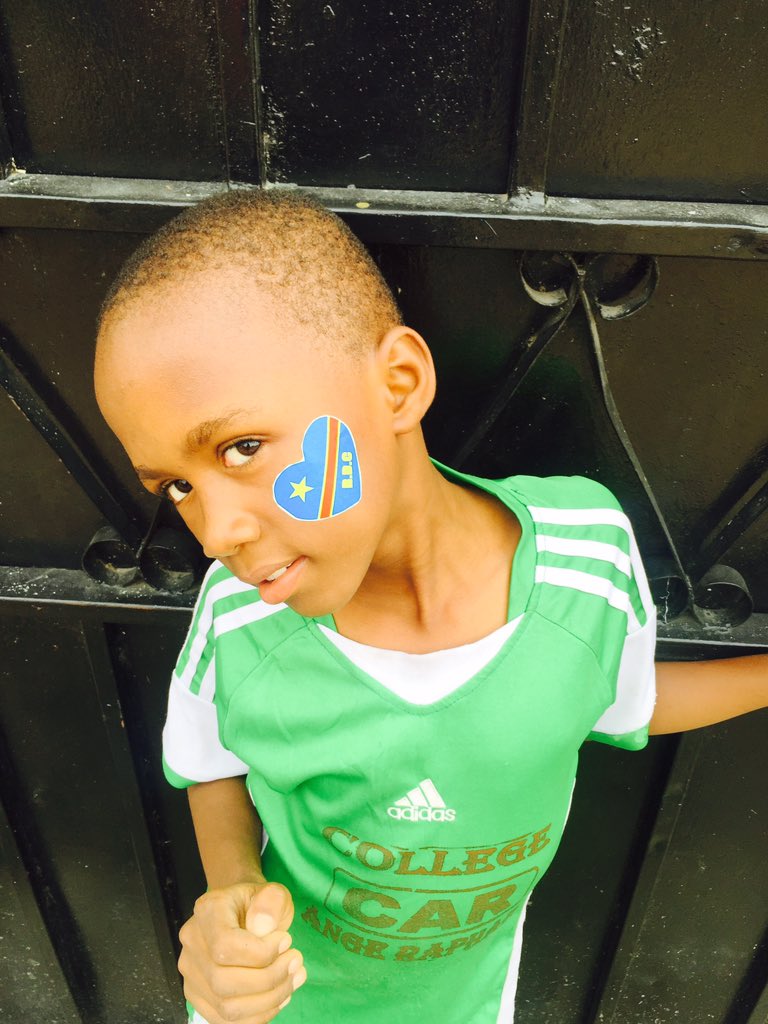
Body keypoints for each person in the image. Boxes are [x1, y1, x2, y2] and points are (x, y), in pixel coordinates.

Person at [94, 191, 768, 1024]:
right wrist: (232, 891)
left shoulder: (586, 558)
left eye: (243, 447)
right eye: (177, 487)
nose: (215, 532)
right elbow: (211, 760)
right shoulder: (242, 616)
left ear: (398, 385)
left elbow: (620, 697)